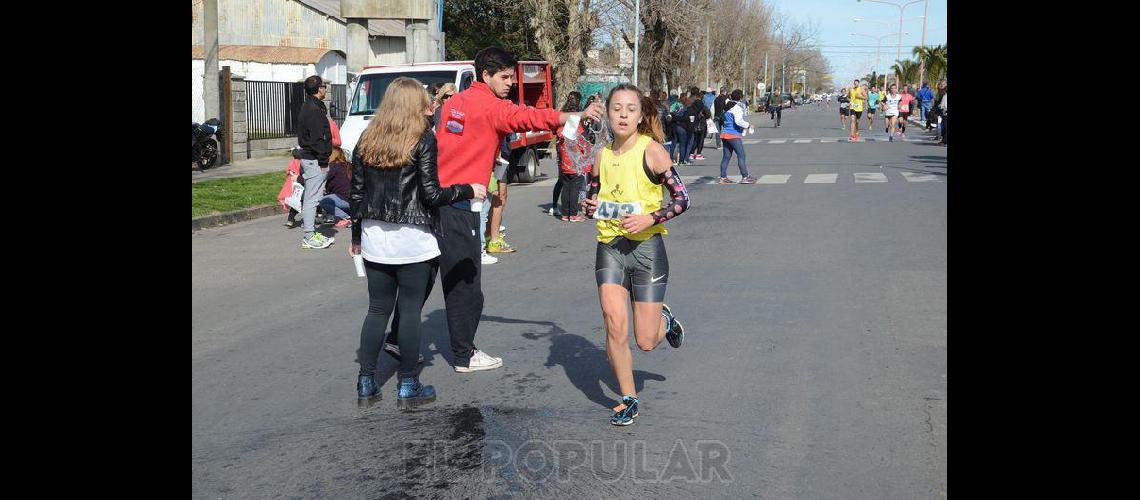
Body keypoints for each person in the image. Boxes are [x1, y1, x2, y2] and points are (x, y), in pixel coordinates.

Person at [433, 46, 603, 373]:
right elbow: (524, 117)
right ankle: (464, 355)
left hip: (438, 199)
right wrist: (569, 116)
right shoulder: (491, 107)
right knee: (466, 286)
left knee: (426, 276)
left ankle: (399, 337)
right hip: (463, 202)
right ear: (486, 75)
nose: (511, 82)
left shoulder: (455, 103)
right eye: (506, 76)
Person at [349, 77, 489, 409]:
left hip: (373, 235)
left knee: (377, 309)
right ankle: (408, 384)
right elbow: (431, 194)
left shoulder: (367, 139)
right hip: (412, 237)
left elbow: (355, 194)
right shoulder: (422, 139)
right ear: (415, 105)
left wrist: (356, 237)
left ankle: (366, 382)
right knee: (409, 310)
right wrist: (468, 189)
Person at [580, 84, 689, 426]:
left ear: (641, 115)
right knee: (614, 325)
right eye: (616, 108)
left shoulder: (652, 151)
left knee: (644, 341)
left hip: (647, 250)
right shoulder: (601, 156)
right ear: (608, 115)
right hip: (610, 247)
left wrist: (649, 218)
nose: (623, 114)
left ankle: (665, 321)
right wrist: (589, 207)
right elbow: (593, 202)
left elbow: (683, 199)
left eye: (630, 109)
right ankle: (629, 399)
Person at [296, 76, 334, 249]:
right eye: (324, 86)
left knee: (315, 197)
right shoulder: (313, 109)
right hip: (314, 160)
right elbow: (318, 138)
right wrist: (323, 160)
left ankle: (311, 233)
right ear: (319, 89)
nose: (325, 89)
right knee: (311, 199)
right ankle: (309, 236)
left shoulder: (311, 106)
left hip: (313, 159)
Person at [556, 91, 590, 222]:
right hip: (575, 160)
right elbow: (582, 142)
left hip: (564, 158)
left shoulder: (562, 125)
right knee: (575, 187)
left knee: (566, 187)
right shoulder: (577, 125)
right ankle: (574, 213)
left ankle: (565, 214)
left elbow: (559, 137)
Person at [717, 89, 756, 185]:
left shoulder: (726, 106)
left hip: (725, 133)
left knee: (726, 156)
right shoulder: (737, 108)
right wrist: (748, 125)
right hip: (733, 135)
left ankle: (723, 177)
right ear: (740, 97)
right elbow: (738, 121)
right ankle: (745, 176)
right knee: (741, 155)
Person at [318, 146, 353, 228]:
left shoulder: (333, 167)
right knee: (331, 197)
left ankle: (346, 217)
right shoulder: (348, 165)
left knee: (324, 201)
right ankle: (351, 215)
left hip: (346, 200)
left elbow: (317, 178)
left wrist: (298, 178)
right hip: (355, 200)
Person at [687, 87, 710, 161]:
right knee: (701, 140)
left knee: (694, 140)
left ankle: (691, 153)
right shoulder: (702, 105)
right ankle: (698, 154)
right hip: (701, 124)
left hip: (693, 123)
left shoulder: (691, 103)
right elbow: (708, 114)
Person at [671, 92, 692, 165]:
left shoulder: (676, 106)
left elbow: (672, 114)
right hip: (683, 127)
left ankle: (672, 159)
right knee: (682, 145)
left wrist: (675, 119)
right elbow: (687, 118)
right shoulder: (687, 108)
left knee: (674, 143)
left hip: (675, 126)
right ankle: (681, 160)